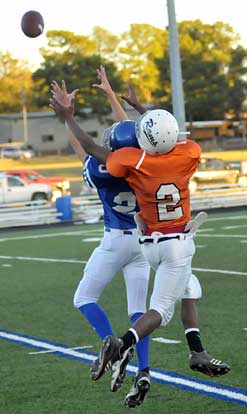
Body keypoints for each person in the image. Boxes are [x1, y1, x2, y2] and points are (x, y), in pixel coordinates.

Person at [50, 72, 230, 407]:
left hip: (132, 242)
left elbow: (87, 147)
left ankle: (123, 347)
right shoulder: (184, 154)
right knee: (149, 308)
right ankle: (146, 361)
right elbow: (154, 136)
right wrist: (131, 105)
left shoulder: (121, 166)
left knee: (93, 298)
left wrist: (68, 116)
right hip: (153, 237)